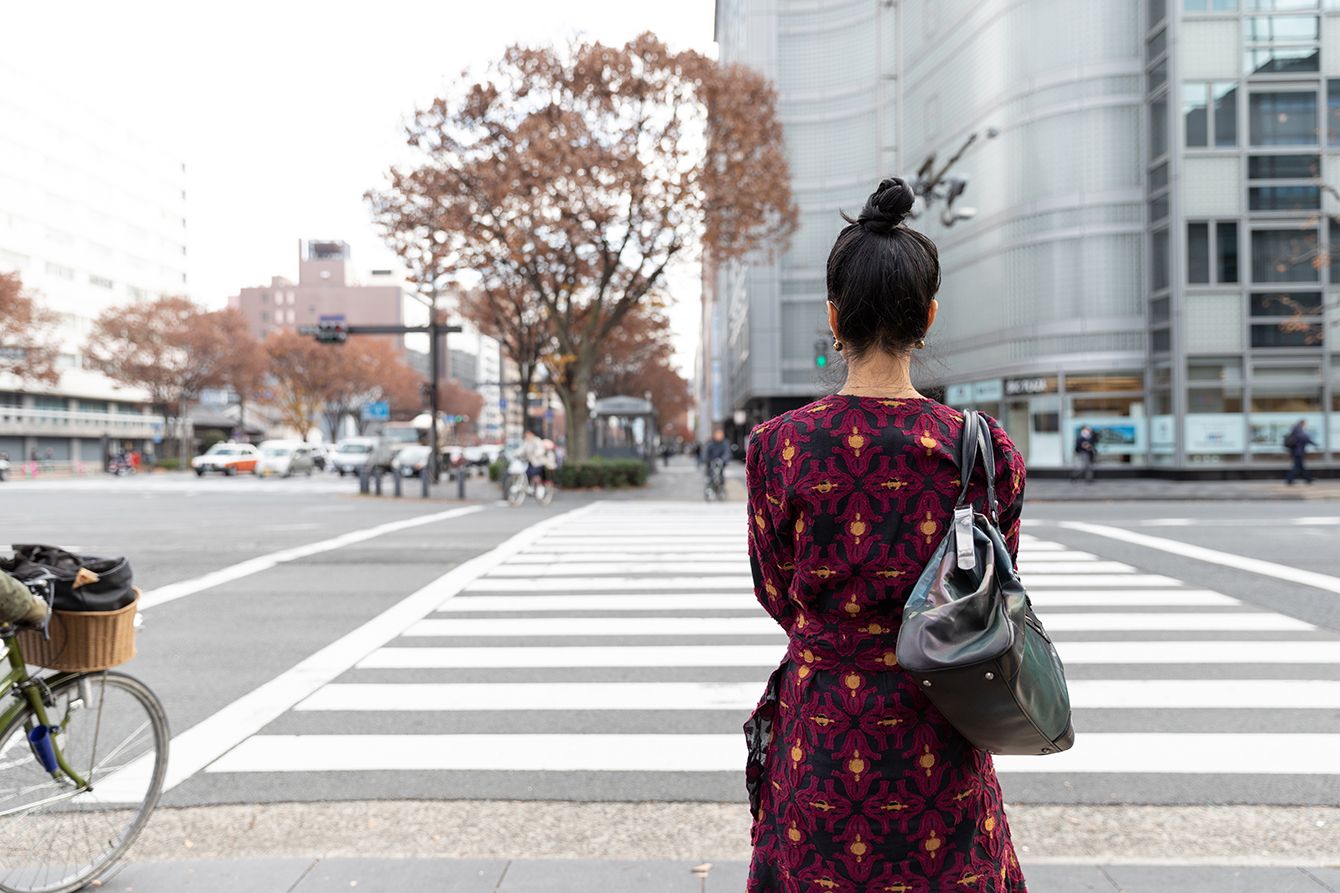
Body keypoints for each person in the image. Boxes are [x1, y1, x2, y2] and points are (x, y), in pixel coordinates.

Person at [744, 178, 1028, 892]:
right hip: (945, 726)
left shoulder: (781, 447)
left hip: (827, 732)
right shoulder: (985, 448)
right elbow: (996, 588)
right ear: (928, 315)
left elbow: (775, 590)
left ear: (834, 317)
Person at [1285, 419, 1317, 485]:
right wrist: (1313, 443)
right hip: (1298, 451)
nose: (1306, 426)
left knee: (1301, 466)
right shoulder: (1298, 429)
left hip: (1297, 451)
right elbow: (1304, 438)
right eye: (1305, 424)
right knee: (1297, 467)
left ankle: (1308, 479)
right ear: (1303, 424)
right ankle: (1289, 479)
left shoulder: (1296, 429)